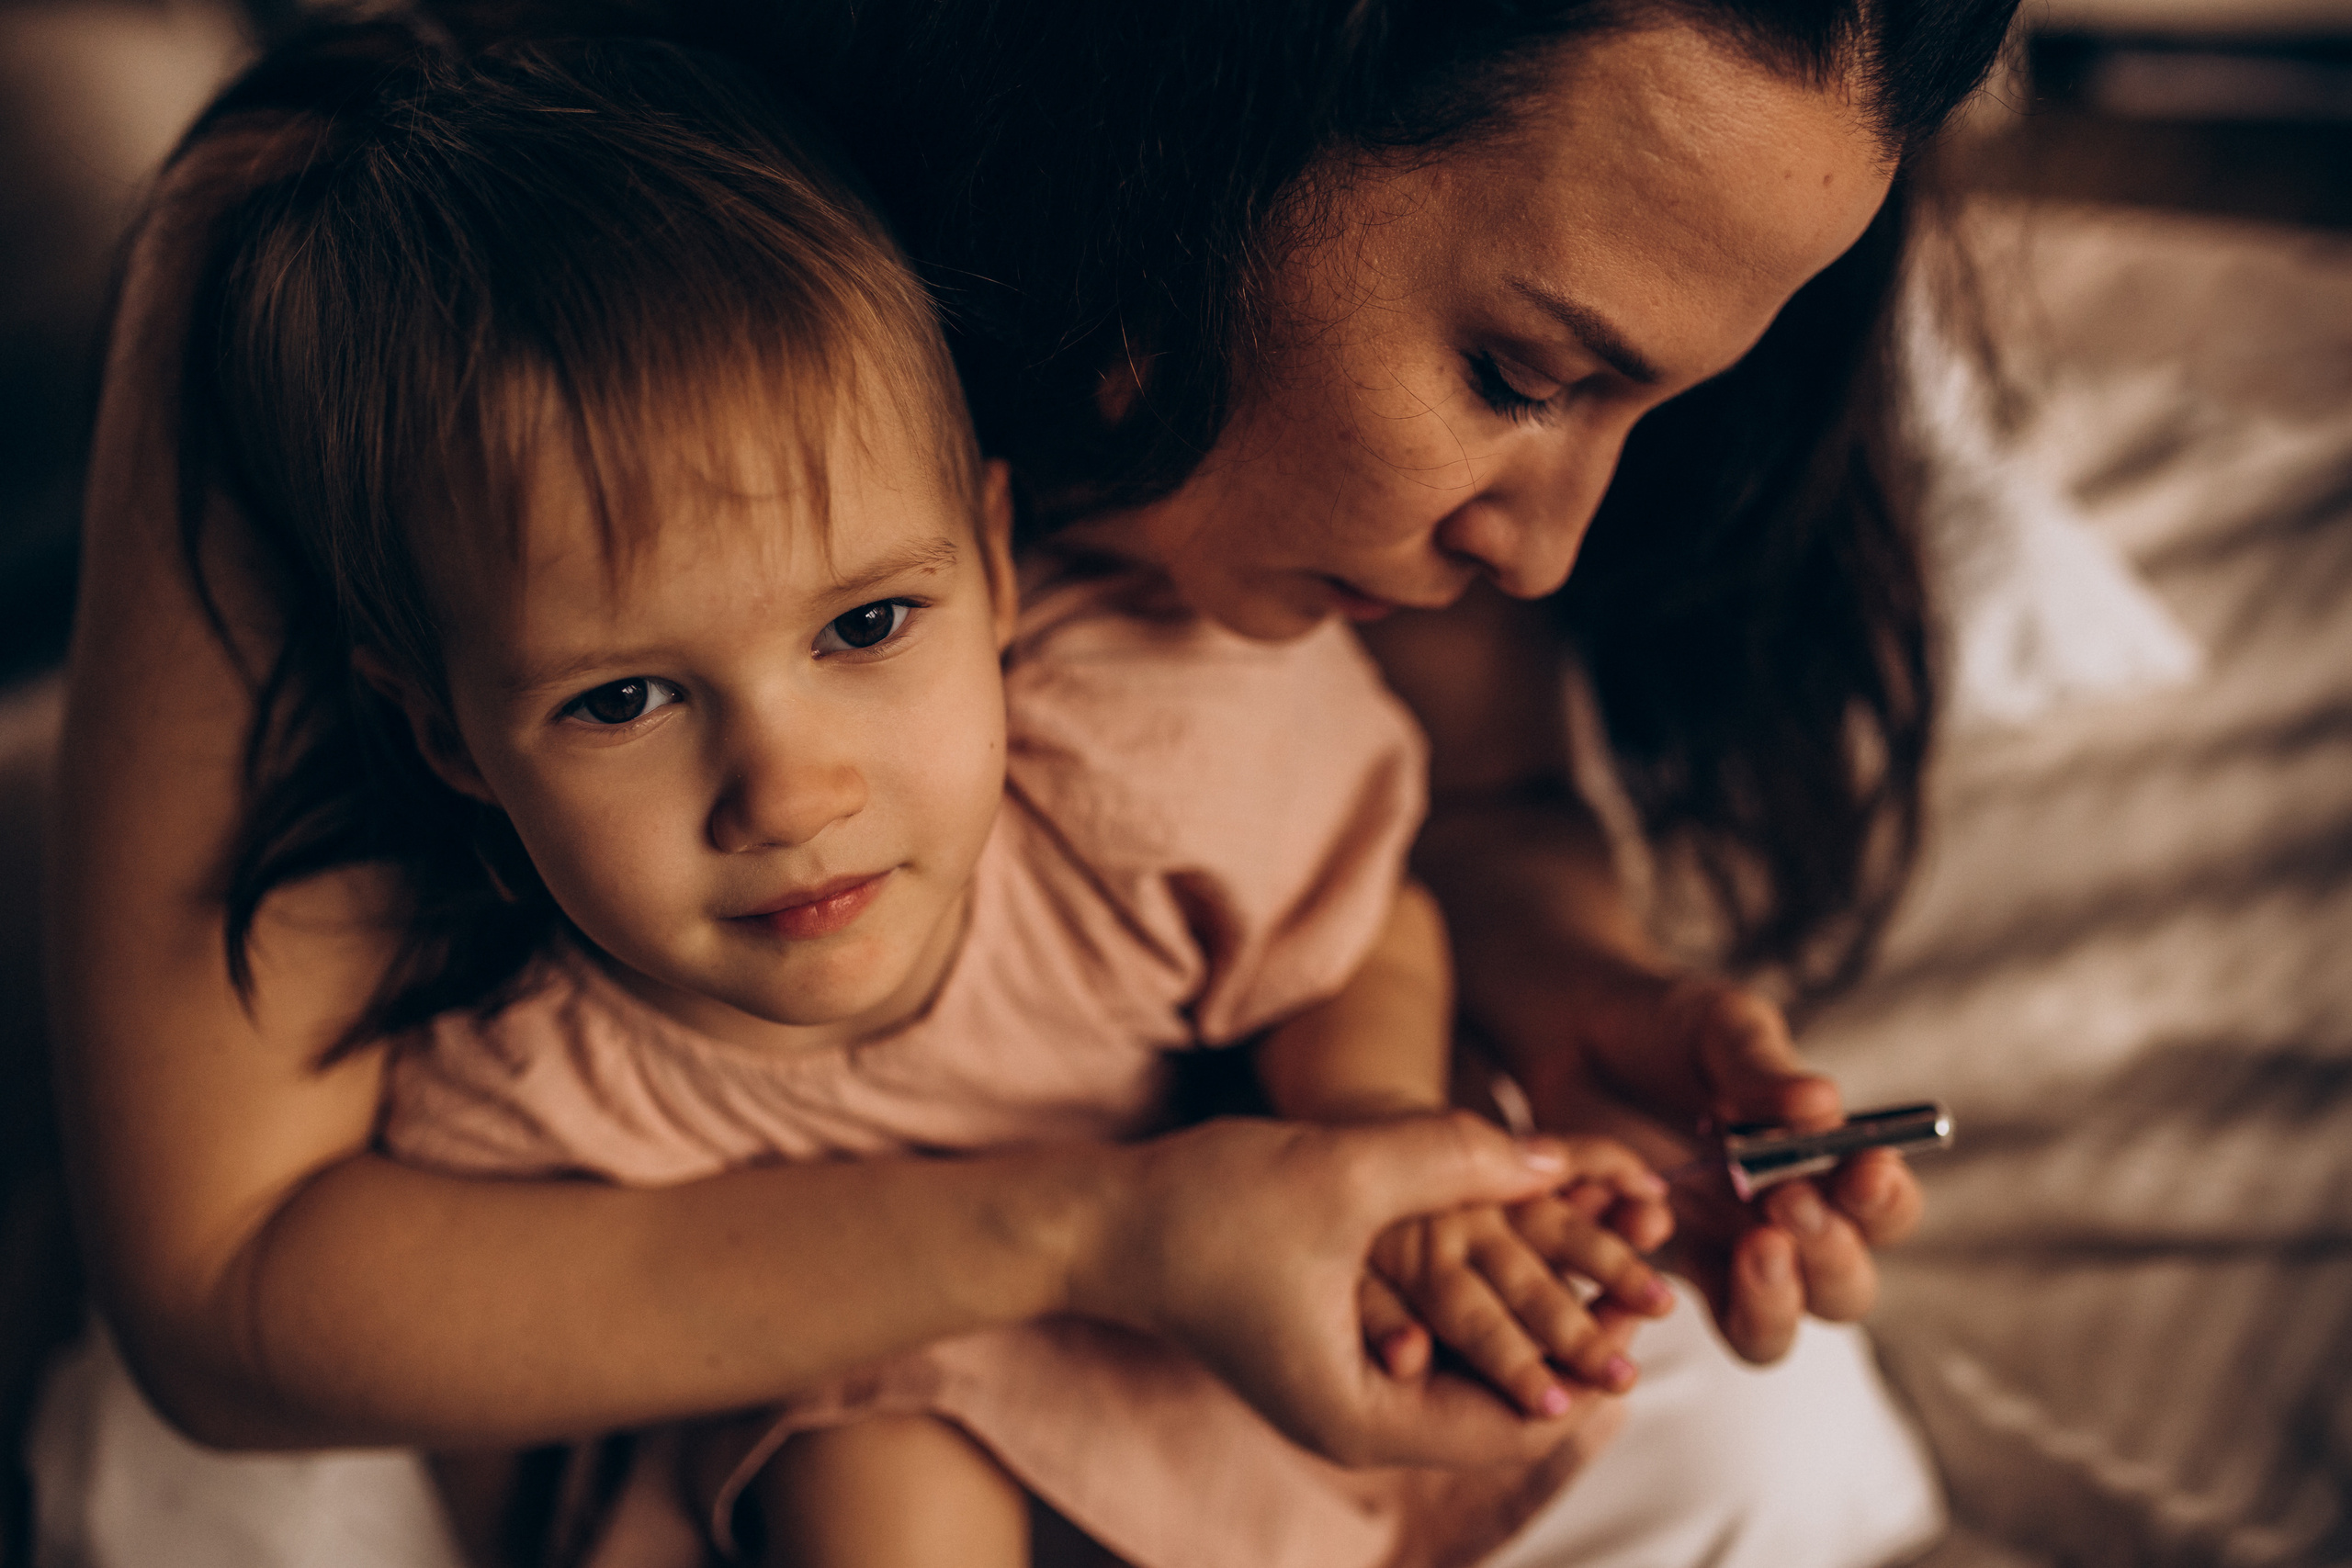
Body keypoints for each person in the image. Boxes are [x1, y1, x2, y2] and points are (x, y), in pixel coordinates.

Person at [42, 1, 2016, 1564]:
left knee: (1738, 1420)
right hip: (565, 1298)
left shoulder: (1300, 566)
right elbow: (230, 1295)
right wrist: (1098, 1231)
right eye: (1515, 374)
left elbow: (1458, 801)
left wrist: (1571, 991)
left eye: (1647, 404)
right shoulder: (419, 258)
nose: (1548, 546)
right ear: (1219, 97)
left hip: (1174, 1188)